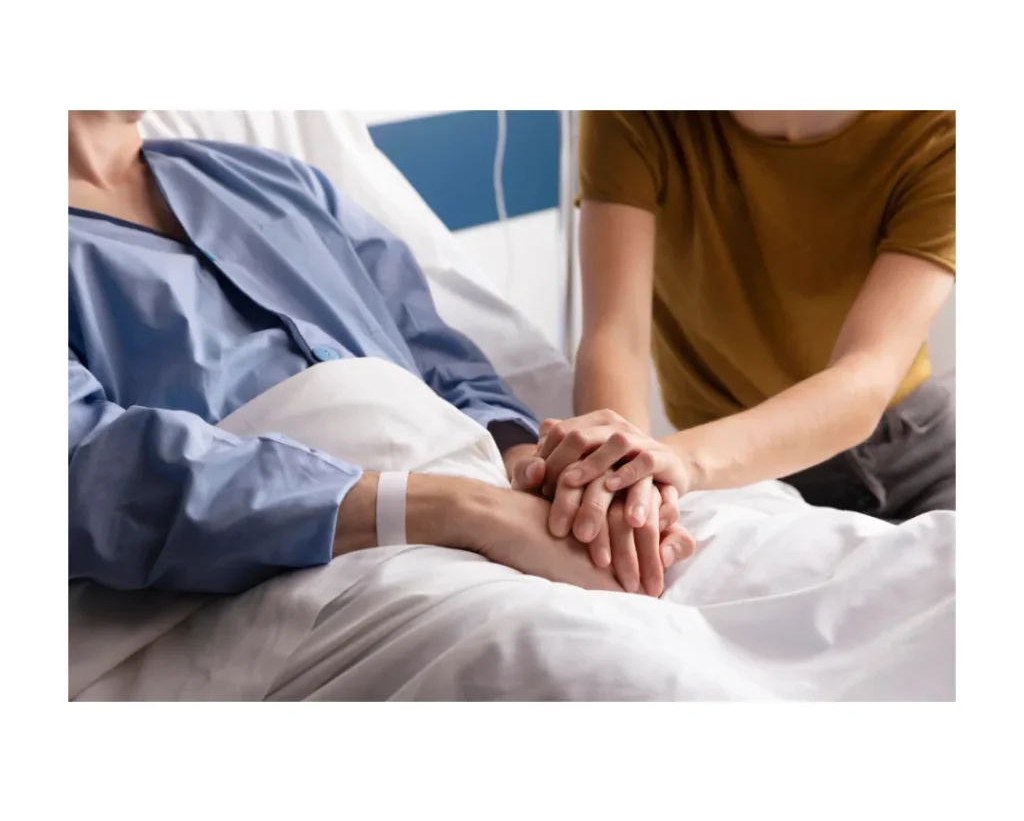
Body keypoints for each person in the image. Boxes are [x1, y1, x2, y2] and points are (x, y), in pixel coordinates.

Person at [68, 111, 693, 605]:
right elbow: (94, 472)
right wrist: (461, 510)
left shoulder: (282, 184)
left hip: (489, 488)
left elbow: (441, 359)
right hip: (304, 565)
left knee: (745, 572)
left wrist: (548, 476)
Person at [527, 111, 955, 543]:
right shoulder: (637, 113)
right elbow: (617, 336)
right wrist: (617, 473)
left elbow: (865, 375)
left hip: (913, 462)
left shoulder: (941, 131)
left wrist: (666, 460)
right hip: (737, 477)